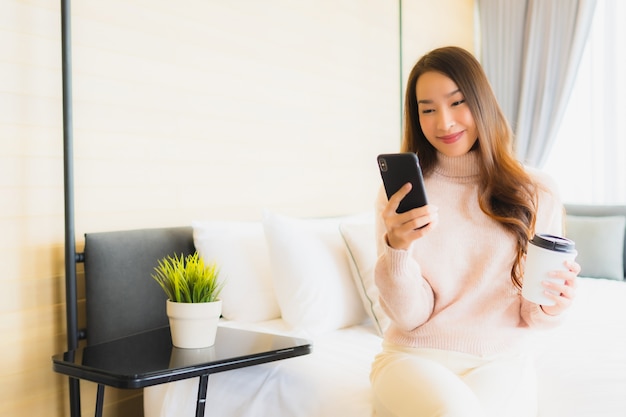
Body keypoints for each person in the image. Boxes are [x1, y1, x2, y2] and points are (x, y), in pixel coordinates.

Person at [370, 46, 581, 417]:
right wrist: (398, 249)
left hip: (500, 361)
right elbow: (409, 317)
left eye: (457, 103)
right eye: (428, 109)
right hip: (414, 358)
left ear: (481, 101)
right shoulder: (402, 196)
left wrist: (554, 302)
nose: (445, 123)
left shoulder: (537, 192)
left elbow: (535, 313)